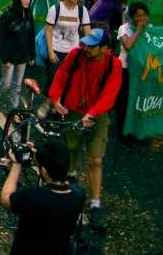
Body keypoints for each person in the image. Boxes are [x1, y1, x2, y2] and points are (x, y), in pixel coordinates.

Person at [48, 28, 122, 231]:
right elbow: (61, 76)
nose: (86, 47)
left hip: (98, 115)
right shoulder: (76, 55)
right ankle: (71, 174)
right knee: (71, 147)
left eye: (92, 45)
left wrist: (93, 113)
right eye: (86, 44)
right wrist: (55, 98)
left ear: (105, 49)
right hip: (73, 110)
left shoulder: (113, 64)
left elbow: (110, 93)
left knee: (96, 159)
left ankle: (95, 202)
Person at [0, 138, 86, 255]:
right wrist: (39, 153)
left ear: (44, 171)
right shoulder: (78, 194)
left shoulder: (31, 195)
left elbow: (6, 198)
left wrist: (16, 166)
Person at [0, 0, 35, 112]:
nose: (27, 1)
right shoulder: (8, 15)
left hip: (22, 56)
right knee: (6, 83)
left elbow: (31, 35)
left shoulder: (29, 14)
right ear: (17, 0)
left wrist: (31, 54)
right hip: (9, 56)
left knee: (17, 85)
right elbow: (2, 38)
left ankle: (13, 110)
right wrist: (5, 58)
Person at [44, 0, 91, 90]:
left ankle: (62, 104)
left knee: (70, 80)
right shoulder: (55, 9)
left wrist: (88, 49)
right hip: (56, 49)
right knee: (53, 78)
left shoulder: (82, 10)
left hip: (73, 51)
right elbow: (48, 31)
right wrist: (50, 51)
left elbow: (87, 30)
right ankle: (48, 102)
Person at [116, 2, 149, 138]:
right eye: (138, 16)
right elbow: (128, 45)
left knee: (139, 100)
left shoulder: (151, 29)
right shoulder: (124, 28)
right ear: (132, 17)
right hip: (125, 69)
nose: (141, 18)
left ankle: (137, 128)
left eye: (144, 15)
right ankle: (123, 130)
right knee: (124, 100)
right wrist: (139, 30)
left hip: (142, 70)